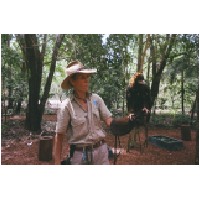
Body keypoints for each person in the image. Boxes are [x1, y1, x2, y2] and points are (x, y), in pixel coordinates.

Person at [55, 61, 113, 165]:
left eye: (87, 77)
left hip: (101, 152)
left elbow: (109, 119)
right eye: (82, 78)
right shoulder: (67, 106)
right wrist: (57, 163)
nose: (86, 81)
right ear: (73, 81)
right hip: (79, 155)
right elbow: (59, 136)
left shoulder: (96, 99)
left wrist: (125, 122)